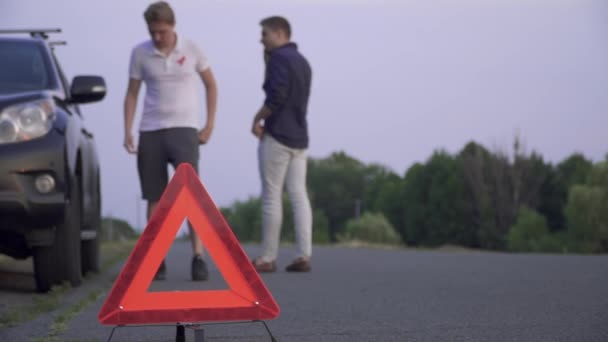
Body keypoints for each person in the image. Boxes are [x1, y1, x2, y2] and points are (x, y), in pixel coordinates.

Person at [123, 1, 218, 281]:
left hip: (184, 128)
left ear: (172, 27)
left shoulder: (191, 49)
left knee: (190, 194)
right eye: (152, 31)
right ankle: (156, 258)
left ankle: (198, 256)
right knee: (155, 196)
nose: (157, 37)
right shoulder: (140, 53)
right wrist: (127, 129)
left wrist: (209, 124)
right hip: (151, 129)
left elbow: (211, 84)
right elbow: (131, 94)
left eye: (162, 31)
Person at [251, 16, 313, 273]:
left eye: (264, 34)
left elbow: (277, 95)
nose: (261, 39)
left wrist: (258, 118)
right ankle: (303, 254)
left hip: (278, 135)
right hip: (300, 136)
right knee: (299, 195)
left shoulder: (279, 59)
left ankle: (267, 257)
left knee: (272, 196)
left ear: (278, 33)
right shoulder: (303, 62)